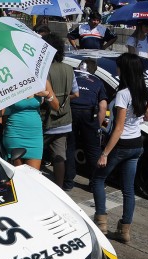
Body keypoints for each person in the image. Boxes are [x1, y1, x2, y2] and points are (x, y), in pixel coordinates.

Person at [92, 53, 148, 241]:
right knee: (128, 189)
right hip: (137, 143)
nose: (117, 70)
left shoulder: (122, 94)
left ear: (125, 69)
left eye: (119, 67)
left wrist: (105, 153)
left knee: (97, 179)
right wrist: (134, 120)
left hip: (121, 144)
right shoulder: (143, 92)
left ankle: (101, 222)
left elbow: (118, 128)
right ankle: (124, 230)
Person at [64, 58, 108, 192]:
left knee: (69, 147)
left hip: (71, 112)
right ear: (94, 70)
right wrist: (97, 127)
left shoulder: (71, 75)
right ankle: (95, 184)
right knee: (93, 149)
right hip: (88, 114)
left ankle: (68, 182)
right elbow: (103, 106)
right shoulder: (98, 82)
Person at [41, 33, 79, 189]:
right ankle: (59, 186)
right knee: (59, 157)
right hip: (64, 121)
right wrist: (63, 100)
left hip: (46, 120)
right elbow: (76, 94)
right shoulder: (69, 69)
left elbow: (43, 98)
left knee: (36, 154)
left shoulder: (44, 71)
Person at [0, 81, 58, 170]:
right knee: (17, 176)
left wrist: (46, 94)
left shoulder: (41, 80)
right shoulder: (10, 82)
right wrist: (3, 100)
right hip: (14, 135)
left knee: (33, 176)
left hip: (35, 137)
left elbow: (56, 106)